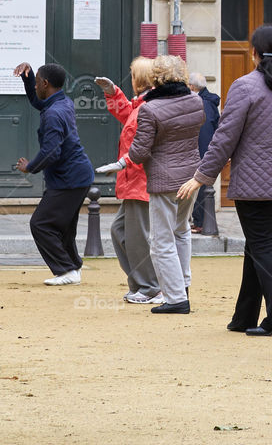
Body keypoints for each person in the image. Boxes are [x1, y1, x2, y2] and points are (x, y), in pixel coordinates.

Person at [178, 25, 272, 337]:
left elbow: (224, 138)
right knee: (257, 245)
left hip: (253, 184)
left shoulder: (245, 86)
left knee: (262, 246)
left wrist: (201, 176)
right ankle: (244, 316)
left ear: (254, 53)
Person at [127, 55, 205, 314]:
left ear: (155, 78)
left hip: (164, 181)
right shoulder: (195, 100)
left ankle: (175, 298)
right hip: (191, 176)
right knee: (181, 231)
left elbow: (138, 153)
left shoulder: (150, 109)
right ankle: (182, 286)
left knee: (161, 241)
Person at [13, 62, 94, 286]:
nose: (36, 85)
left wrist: (29, 167)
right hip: (76, 176)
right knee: (63, 226)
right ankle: (73, 268)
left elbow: (51, 152)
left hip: (70, 179)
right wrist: (28, 79)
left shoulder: (54, 113)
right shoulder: (60, 102)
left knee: (40, 224)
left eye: (37, 81)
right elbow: (37, 101)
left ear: (46, 84)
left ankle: (66, 269)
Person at [94, 58, 163, 304]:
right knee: (120, 231)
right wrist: (113, 92)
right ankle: (141, 284)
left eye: (133, 75)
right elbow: (127, 112)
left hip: (138, 181)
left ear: (140, 79)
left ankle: (150, 287)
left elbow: (142, 145)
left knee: (136, 237)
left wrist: (123, 163)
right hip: (132, 181)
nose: (130, 79)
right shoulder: (144, 103)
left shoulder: (149, 105)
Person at [187, 72, 220, 235]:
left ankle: (200, 222)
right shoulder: (209, 102)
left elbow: (205, 133)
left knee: (201, 187)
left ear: (192, 87)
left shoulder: (202, 104)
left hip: (202, 153)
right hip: (210, 152)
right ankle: (200, 221)